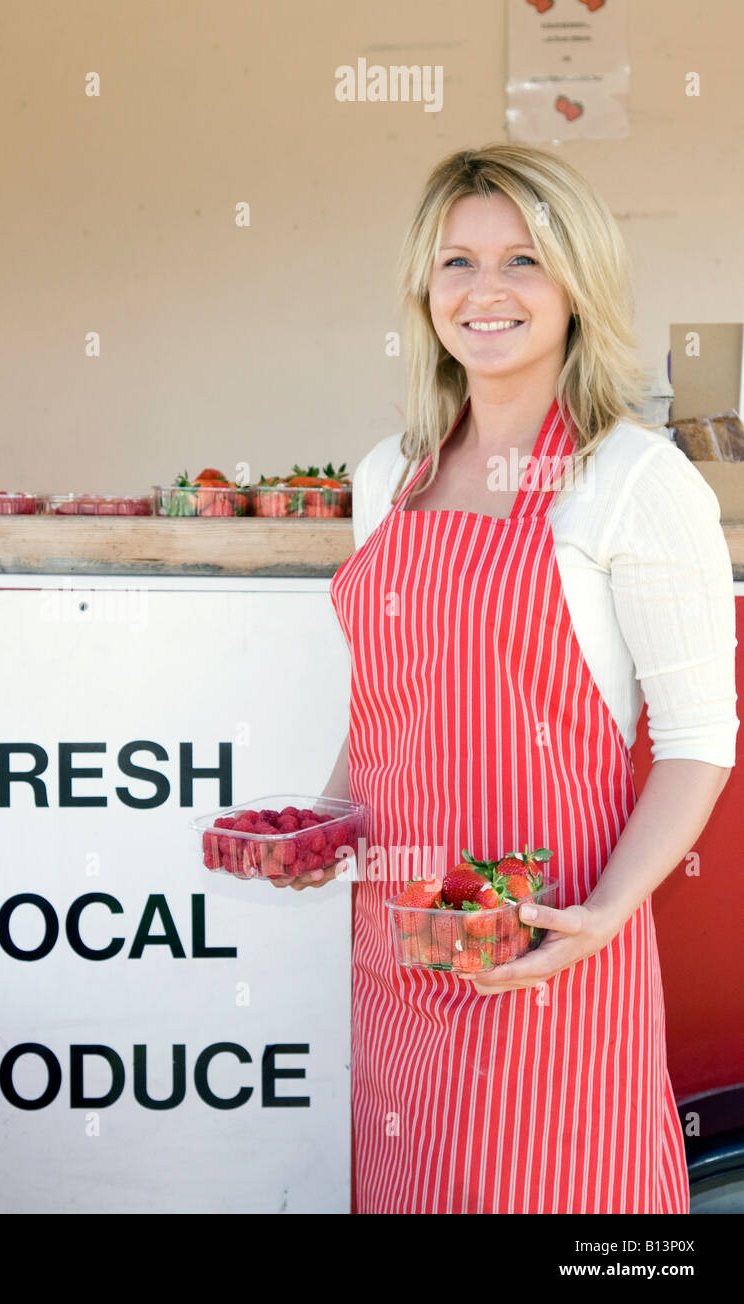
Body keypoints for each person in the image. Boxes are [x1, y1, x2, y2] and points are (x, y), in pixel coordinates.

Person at [277, 144, 737, 1214]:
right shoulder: (387, 472)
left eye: (523, 259)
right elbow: (388, 699)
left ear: (579, 284)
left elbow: (698, 739)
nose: (484, 291)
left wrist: (606, 910)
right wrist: (325, 820)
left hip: (552, 940)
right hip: (399, 940)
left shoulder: (633, 478)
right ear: (422, 288)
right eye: (455, 262)